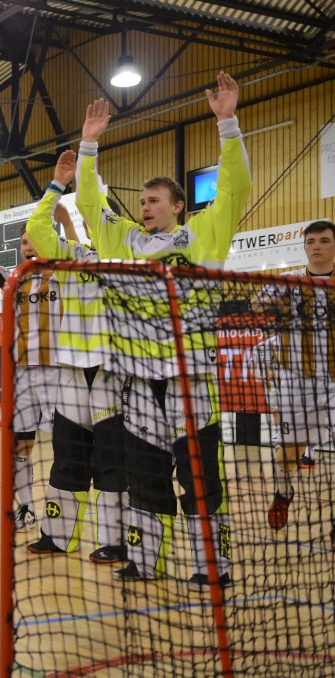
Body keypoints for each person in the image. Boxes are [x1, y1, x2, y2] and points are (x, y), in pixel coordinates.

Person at [75, 71, 250, 588]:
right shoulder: (122, 239)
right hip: (139, 384)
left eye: (155, 201)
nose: (146, 208)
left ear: (178, 207)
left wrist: (228, 124)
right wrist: (89, 144)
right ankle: (145, 561)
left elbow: (235, 191)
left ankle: (208, 565)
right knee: (144, 478)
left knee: (200, 479)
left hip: (192, 381)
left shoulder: (202, 237)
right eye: (143, 201)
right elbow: (88, 203)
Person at [22, 151, 127, 564]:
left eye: (98, 217)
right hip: (70, 370)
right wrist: (56, 184)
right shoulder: (75, 259)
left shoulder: (133, 261)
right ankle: (58, 535)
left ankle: (117, 540)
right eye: (88, 218)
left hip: (111, 373)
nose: (91, 224)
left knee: (111, 461)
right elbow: (35, 228)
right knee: (66, 457)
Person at [251, 219, 335, 544]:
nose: (316, 246)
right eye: (311, 241)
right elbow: (256, 303)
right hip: (296, 381)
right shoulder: (289, 281)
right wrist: (277, 303)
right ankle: (284, 493)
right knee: (288, 452)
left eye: (324, 240)